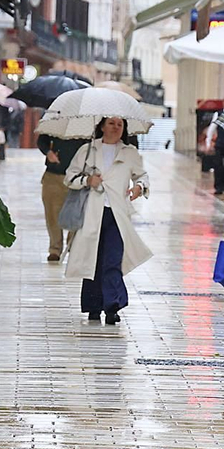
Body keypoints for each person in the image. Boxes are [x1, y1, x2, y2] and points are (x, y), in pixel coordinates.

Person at [64, 117, 153, 324]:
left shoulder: (129, 153)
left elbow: (143, 176)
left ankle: (112, 306)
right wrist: (88, 180)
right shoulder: (88, 150)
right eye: (111, 123)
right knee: (92, 259)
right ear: (102, 126)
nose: (116, 127)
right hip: (91, 213)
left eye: (120, 124)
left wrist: (139, 187)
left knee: (112, 260)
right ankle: (93, 306)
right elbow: (70, 177)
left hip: (117, 213)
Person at [37, 129, 86, 262]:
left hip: (78, 177)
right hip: (54, 175)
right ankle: (55, 249)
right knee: (52, 214)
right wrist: (48, 152)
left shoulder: (88, 124)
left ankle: (73, 246)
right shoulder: (55, 121)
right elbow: (42, 140)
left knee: (78, 213)